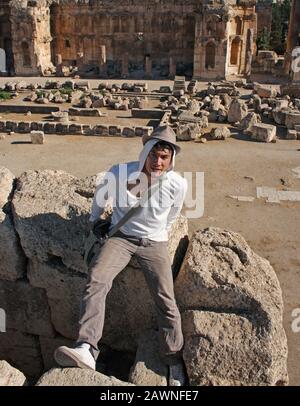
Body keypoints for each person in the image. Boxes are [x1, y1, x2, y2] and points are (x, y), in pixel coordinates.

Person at [54, 125, 188, 386]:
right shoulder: (120, 172)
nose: (158, 162)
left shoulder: (177, 184)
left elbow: (172, 216)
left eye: (164, 157)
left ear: (172, 159)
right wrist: (95, 221)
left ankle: (173, 360)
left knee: (166, 298)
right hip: (121, 237)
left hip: (154, 242)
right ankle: (86, 348)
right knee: (96, 280)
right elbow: (100, 198)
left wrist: (158, 234)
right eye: (154, 155)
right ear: (146, 152)